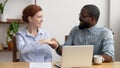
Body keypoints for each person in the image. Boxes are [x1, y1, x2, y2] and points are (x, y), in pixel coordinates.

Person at [50, 4, 115, 62]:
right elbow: (64, 52)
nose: (79, 18)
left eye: (83, 16)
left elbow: (109, 56)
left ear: (92, 19)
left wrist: (86, 59)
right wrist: (57, 46)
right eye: (80, 15)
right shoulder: (75, 30)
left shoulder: (105, 33)